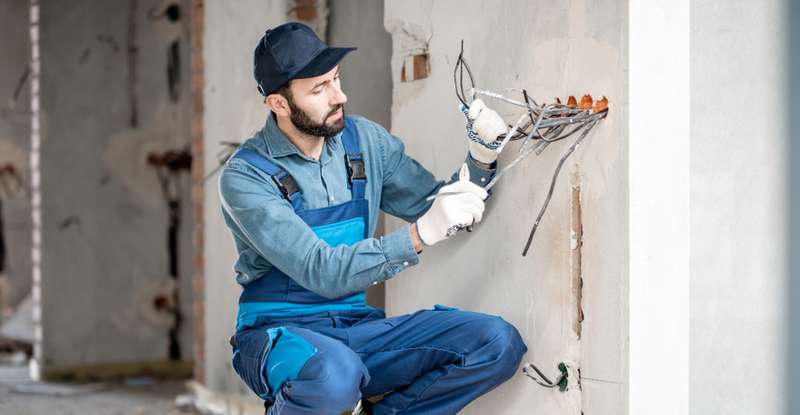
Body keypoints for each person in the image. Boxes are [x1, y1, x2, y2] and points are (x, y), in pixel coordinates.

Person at [219, 22, 527, 415]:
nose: (340, 95)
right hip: (277, 337)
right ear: (279, 104)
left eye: (336, 79)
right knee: (335, 375)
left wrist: (481, 158)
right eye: (319, 89)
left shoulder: (365, 142)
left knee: (495, 342)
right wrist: (418, 236)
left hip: (356, 329)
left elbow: (432, 205)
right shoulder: (247, 176)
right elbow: (321, 271)